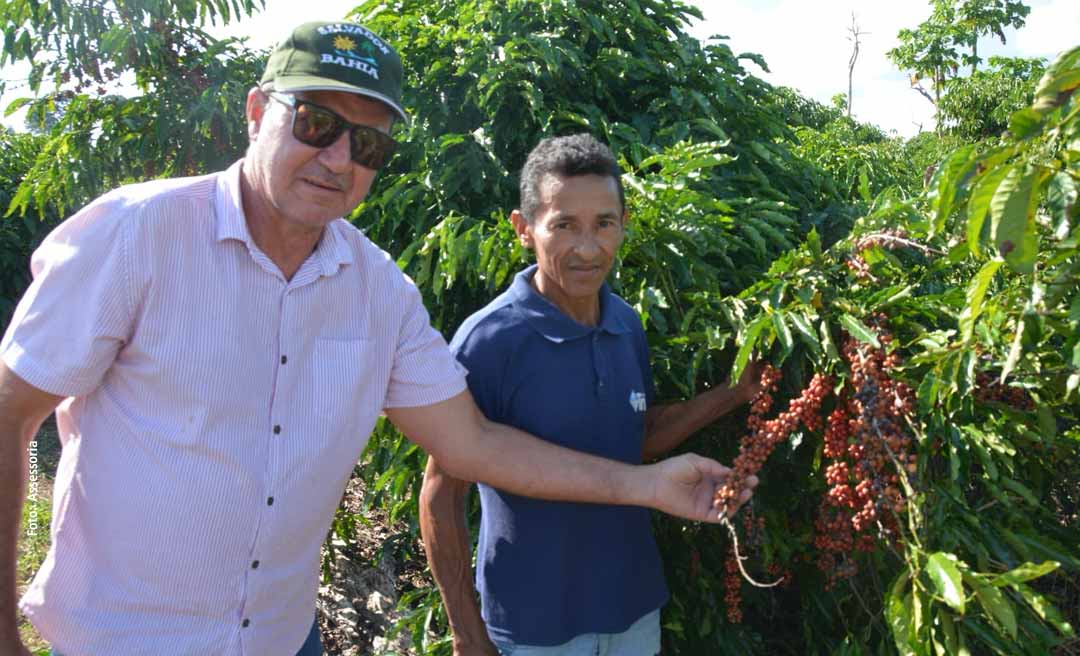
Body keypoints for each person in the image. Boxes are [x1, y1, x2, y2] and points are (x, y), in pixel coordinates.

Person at [0, 22, 755, 656]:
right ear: (258, 111)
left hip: (282, 639)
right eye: (318, 124)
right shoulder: (138, 235)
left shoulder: (379, 292)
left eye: (368, 146)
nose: (338, 160)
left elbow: (474, 446)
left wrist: (650, 486)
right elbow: (11, 411)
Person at [420, 134, 762, 656]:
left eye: (604, 223)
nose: (587, 247)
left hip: (632, 610)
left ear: (623, 225)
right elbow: (441, 495)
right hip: (534, 625)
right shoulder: (489, 341)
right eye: (563, 225)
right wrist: (467, 632)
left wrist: (736, 393)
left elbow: (635, 439)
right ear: (524, 229)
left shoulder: (626, 323)